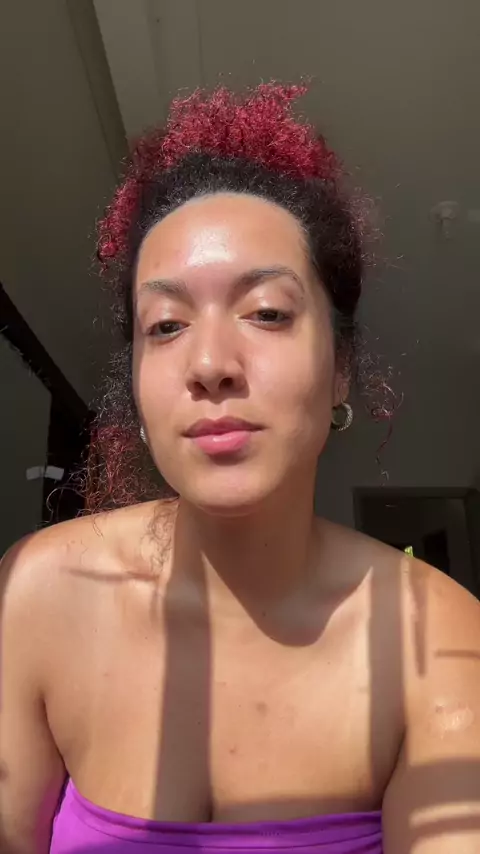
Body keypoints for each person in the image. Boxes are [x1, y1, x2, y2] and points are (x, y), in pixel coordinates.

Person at [1, 84, 479, 854]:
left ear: (342, 368)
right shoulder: (36, 595)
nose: (211, 363)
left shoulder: (438, 638)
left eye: (267, 313)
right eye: (166, 325)